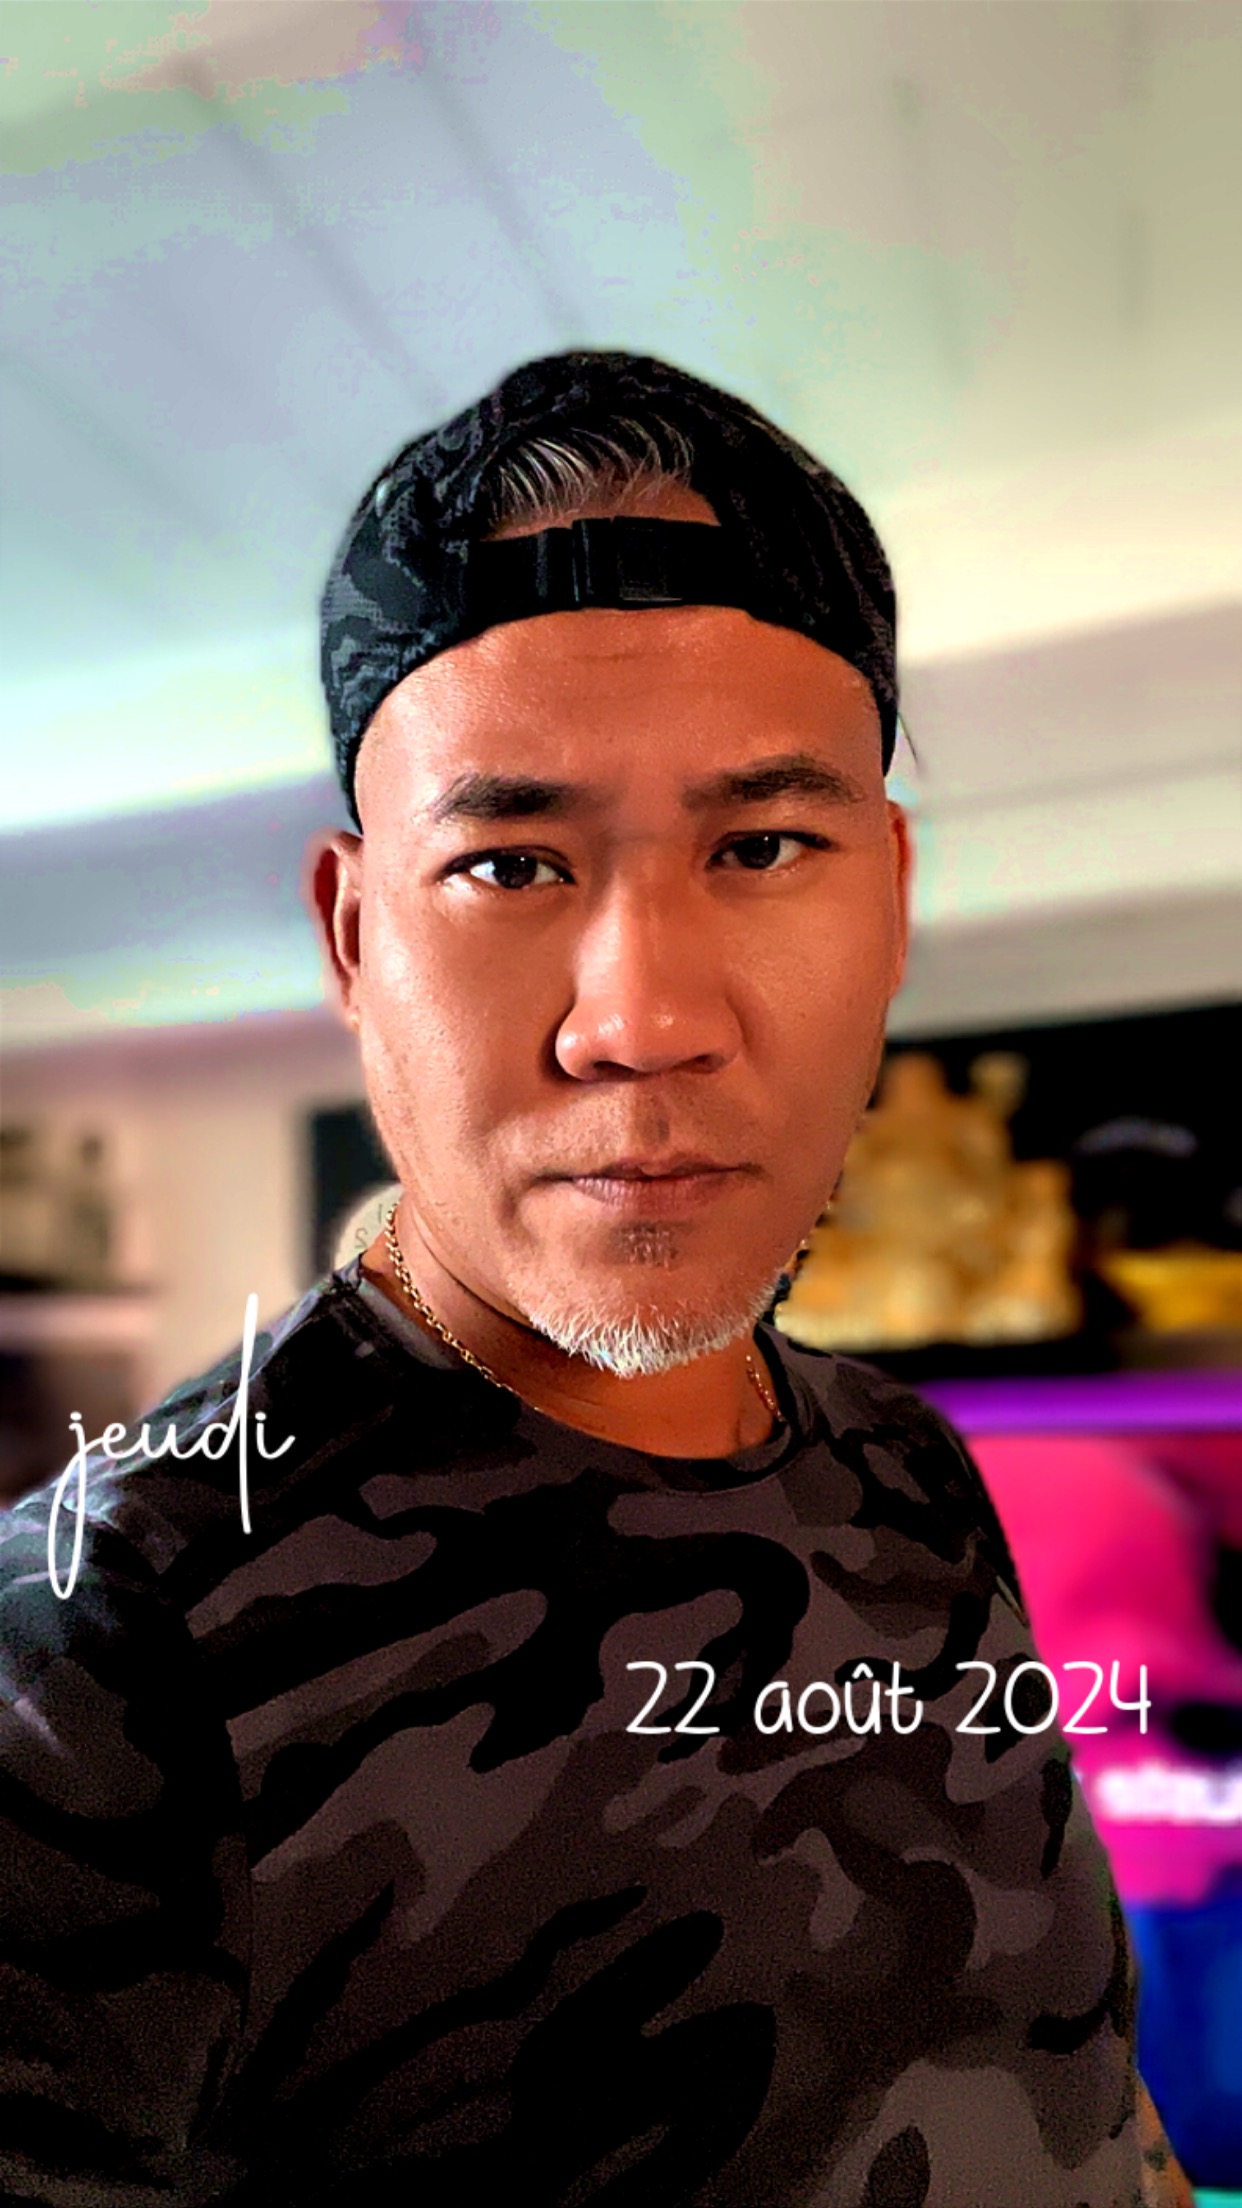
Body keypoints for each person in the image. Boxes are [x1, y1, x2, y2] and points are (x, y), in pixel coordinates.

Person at [0, 352, 1191, 2206]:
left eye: (761, 847)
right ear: (352, 936)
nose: (637, 1020)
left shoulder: (907, 1468)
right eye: (509, 864)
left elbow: (1085, 2096)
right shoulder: (103, 1646)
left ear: (890, 898)